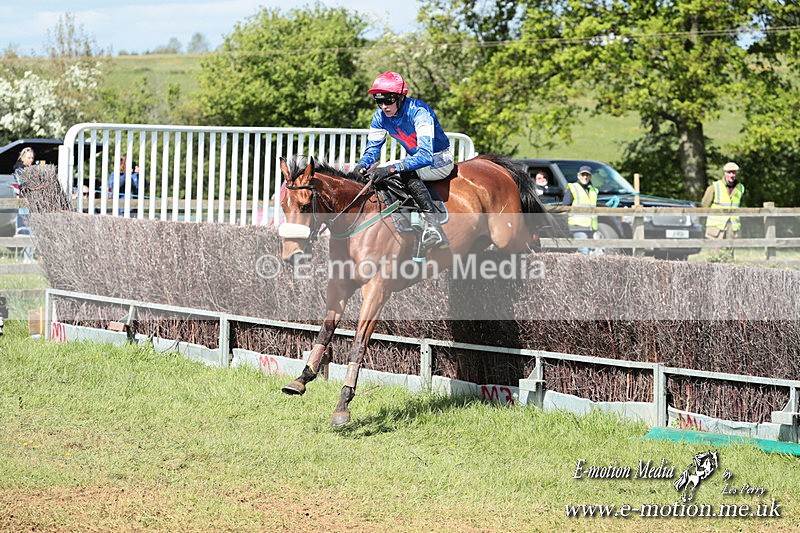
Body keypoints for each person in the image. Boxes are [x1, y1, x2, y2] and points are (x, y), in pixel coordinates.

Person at [353, 71, 452, 249]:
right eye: (379, 101)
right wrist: (361, 166)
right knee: (376, 175)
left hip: (438, 160)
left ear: (400, 97)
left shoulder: (420, 112)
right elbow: (372, 150)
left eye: (388, 100)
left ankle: (434, 228)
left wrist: (392, 168)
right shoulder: (380, 116)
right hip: (416, 160)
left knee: (400, 171)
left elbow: (425, 156)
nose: (384, 106)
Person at [702, 162, 744, 240]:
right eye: (729, 172)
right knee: (714, 248)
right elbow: (704, 205)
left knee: (730, 248)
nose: (732, 175)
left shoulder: (741, 188)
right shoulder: (714, 187)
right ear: (724, 173)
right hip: (716, 228)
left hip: (732, 229)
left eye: (734, 173)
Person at [562, 165, 598, 255]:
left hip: (591, 226)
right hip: (577, 225)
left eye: (587, 175)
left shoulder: (593, 190)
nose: (585, 177)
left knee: (591, 252)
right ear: (578, 176)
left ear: (590, 176)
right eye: (583, 175)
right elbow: (565, 206)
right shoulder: (573, 187)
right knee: (584, 251)